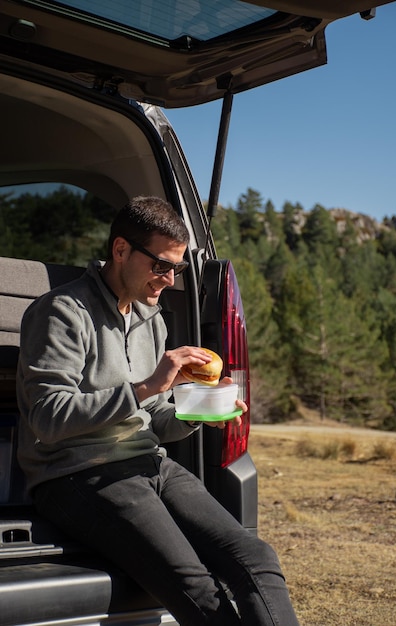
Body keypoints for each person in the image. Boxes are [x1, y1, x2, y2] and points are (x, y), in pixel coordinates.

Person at [17, 196, 300, 626]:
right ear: (121, 250)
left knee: (255, 558)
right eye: (161, 265)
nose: (169, 279)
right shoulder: (61, 312)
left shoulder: (153, 319)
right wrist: (150, 384)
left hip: (149, 464)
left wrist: (201, 410)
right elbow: (48, 417)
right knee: (196, 585)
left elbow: (155, 418)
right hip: (76, 472)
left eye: (178, 269)